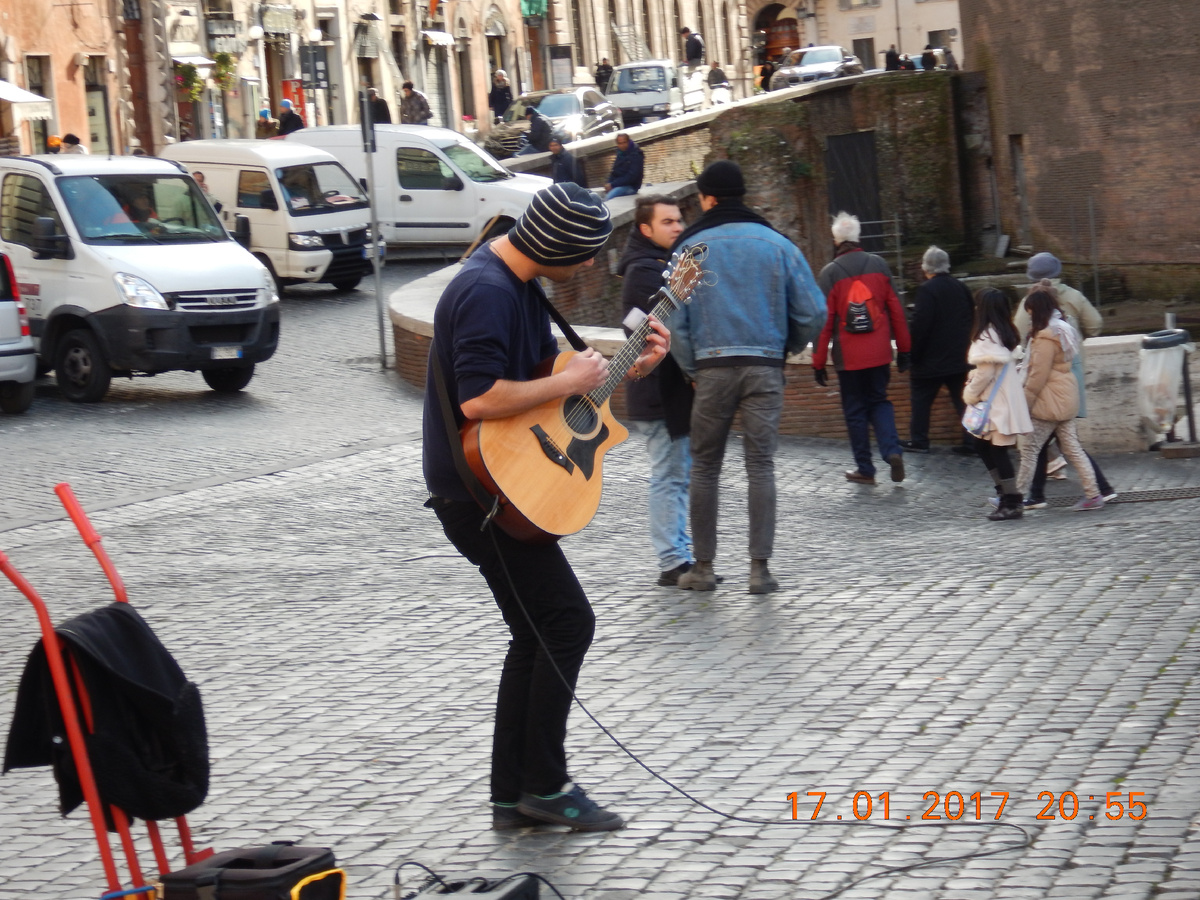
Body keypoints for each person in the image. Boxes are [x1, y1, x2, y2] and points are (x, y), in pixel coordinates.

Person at [421, 183, 670, 832]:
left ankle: (515, 794)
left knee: (537, 633)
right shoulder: (486, 291)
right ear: (556, 244)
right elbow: (479, 400)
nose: (587, 266)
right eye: (582, 254)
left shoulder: (517, 285)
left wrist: (627, 370)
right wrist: (568, 380)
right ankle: (545, 785)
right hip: (483, 493)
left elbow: (547, 395)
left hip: (498, 486)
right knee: (566, 625)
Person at [672, 161, 825, 594]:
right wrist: (783, 348)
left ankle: (702, 568)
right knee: (760, 465)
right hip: (764, 367)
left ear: (708, 198)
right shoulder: (778, 245)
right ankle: (760, 570)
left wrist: (692, 367)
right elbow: (814, 313)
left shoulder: (690, 249)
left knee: (704, 466)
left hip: (712, 367)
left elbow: (675, 322)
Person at [619, 195, 694, 586]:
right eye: (668, 222)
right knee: (669, 475)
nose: (677, 227)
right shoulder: (646, 271)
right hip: (658, 394)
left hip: (664, 393)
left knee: (677, 474)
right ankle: (672, 559)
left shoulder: (658, 266)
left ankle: (680, 553)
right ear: (645, 229)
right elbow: (639, 331)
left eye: (679, 220)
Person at [812, 212, 912, 486]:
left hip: (849, 358)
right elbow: (897, 312)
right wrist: (904, 349)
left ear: (836, 240)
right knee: (879, 401)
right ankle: (892, 450)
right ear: (858, 238)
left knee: (855, 410)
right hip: (879, 353)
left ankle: (865, 469)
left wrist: (818, 362)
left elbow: (824, 323)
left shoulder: (830, 273)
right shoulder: (879, 265)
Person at [1012, 252, 1116, 507]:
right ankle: (1095, 491)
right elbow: (1095, 324)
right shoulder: (1072, 301)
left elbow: (1022, 344)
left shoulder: (1035, 310)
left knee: (1036, 444)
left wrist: (1023, 400)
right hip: (1072, 378)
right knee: (1064, 442)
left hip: (1049, 390)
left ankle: (1023, 497)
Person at [963, 288, 1033, 520]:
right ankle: (1006, 495)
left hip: (996, 405)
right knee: (986, 447)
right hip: (1006, 401)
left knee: (996, 451)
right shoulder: (1005, 332)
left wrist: (969, 395)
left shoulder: (985, 336)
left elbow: (984, 373)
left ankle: (1011, 501)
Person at [901, 245, 976, 455]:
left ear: (926, 268)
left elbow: (920, 326)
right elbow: (971, 317)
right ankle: (972, 442)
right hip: (960, 357)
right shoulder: (961, 287)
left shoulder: (926, 290)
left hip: (930, 360)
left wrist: (913, 356)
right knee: (964, 401)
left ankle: (920, 440)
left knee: (921, 401)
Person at [603, 133, 643, 199]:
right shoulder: (620, 154)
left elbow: (632, 176)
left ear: (628, 142)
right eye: (620, 143)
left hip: (631, 186)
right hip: (618, 184)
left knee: (609, 197)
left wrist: (613, 184)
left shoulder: (636, 154)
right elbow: (614, 172)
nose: (622, 145)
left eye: (624, 142)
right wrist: (609, 183)